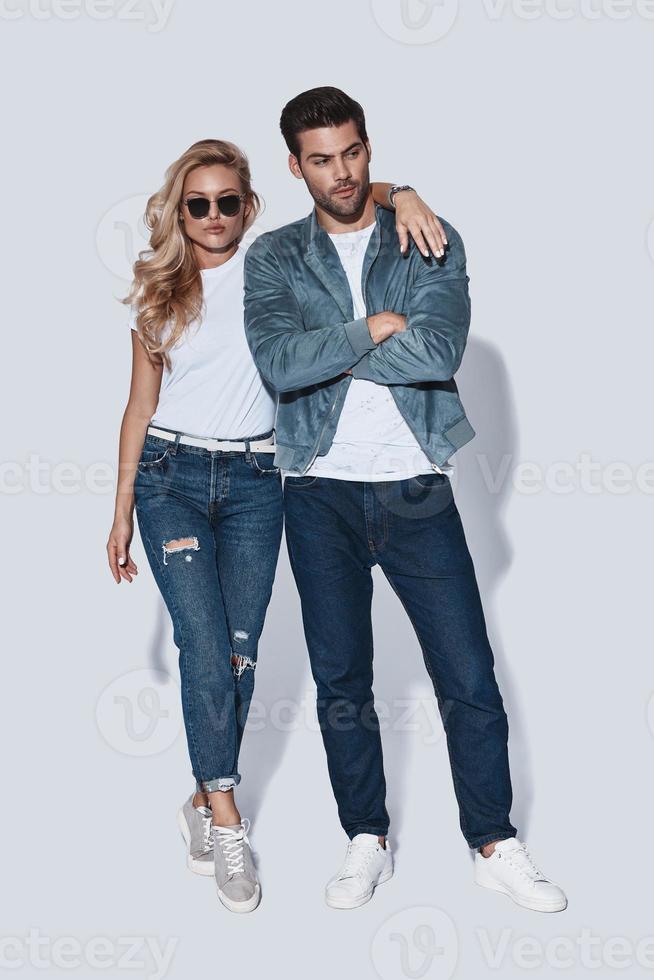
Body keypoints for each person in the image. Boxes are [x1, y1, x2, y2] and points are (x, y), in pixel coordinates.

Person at [243, 87, 568, 913]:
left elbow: (438, 348)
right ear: (295, 166)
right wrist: (370, 328)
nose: (342, 172)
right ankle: (366, 838)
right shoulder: (273, 256)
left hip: (417, 486)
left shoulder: (424, 233)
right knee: (342, 675)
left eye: (353, 152)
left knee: (466, 671)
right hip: (318, 489)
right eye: (321, 159)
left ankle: (494, 842)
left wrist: (349, 347)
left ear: (369, 147)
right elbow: (279, 367)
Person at [107, 136, 450, 913]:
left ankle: (198, 798)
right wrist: (120, 512)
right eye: (198, 204)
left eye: (229, 201)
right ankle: (227, 817)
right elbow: (137, 408)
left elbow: (349, 196)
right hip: (172, 477)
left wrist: (408, 193)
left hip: (262, 480)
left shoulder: (275, 265)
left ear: (249, 205)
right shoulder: (157, 294)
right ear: (179, 211)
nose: (215, 216)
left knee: (237, 651)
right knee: (201, 635)